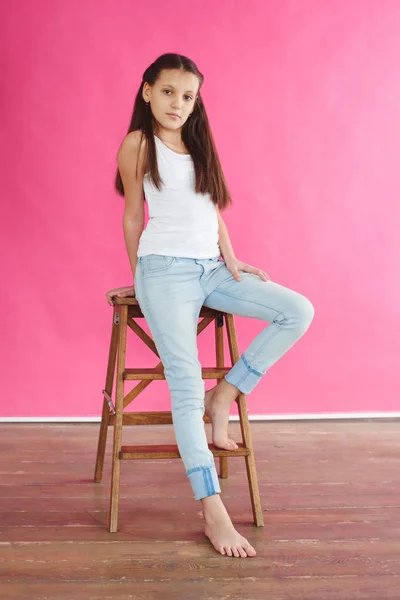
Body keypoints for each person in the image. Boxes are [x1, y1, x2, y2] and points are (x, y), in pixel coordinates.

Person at [106, 53, 314, 559]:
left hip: (212, 268)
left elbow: (211, 206)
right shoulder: (138, 145)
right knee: (184, 380)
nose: (179, 103)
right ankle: (212, 505)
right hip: (164, 271)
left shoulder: (198, 143)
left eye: (188, 95)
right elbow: (133, 215)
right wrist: (143, 277)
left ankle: (226, 394)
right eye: (169, 91)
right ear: (147, 91)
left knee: (297, 310)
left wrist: (232, 257)